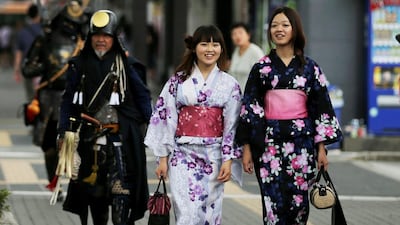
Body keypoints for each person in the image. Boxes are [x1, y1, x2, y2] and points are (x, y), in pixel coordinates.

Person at [235, 6, 343, 225]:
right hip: (268, 145)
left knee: (299, 207)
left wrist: (322, 149)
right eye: (274, 26)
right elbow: (250, 108)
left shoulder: (310, 68)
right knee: (272, 206)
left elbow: (321, 107)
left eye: (285, 25)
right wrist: (247, 148)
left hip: (302, 146)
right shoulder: (261, 68)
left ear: (295, 30)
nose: (279, 29)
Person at [58, 9, 152, 225]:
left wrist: (156, 132)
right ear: (90, 37)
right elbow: (67, 103)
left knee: (121, 202)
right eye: (97, 35)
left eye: (106, 36)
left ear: (114, 38)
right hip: (90, 146)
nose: (101, 40)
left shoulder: (127, 65)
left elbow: (143, 97)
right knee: (96, 204)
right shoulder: (78, 66)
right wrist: (63, 133)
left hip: (121, 145)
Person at [144, 25, 243, 225]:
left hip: (214, 156)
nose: (210, 49)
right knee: (186, 215)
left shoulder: (230, 84)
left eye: (215, 44)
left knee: (210, 215)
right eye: (204, 44)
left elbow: (232, 125)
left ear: (222, 49)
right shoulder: (177, 82)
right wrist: (162, 158)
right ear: (195, 48)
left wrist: (227, 159)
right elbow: (165, 117)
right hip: (182, 155)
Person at [21, 0, 90, 199]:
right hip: (49, 98)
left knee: (72, 143)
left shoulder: (83, 41)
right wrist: (47, 68)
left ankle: (72, 184)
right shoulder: (45, 40)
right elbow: (28, 68)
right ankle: (55, 183)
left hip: (74, 98)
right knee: (50, 146)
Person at [13, 4, 43, 101]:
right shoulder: (45, 30)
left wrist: (17, 70)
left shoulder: (22, 32)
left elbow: (19, 53)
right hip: (43, 67)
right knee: (43, 96)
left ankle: (32, 113)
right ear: (38, 14)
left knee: (31, 97)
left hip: (28, 68)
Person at [228, 22, 264, 89]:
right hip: (237, 95)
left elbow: (263, 74)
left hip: (251, 94)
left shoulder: (255, 51)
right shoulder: (236, 51)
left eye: (240, 33)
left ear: (248, 35)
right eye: (234, 34)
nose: (237, 36)